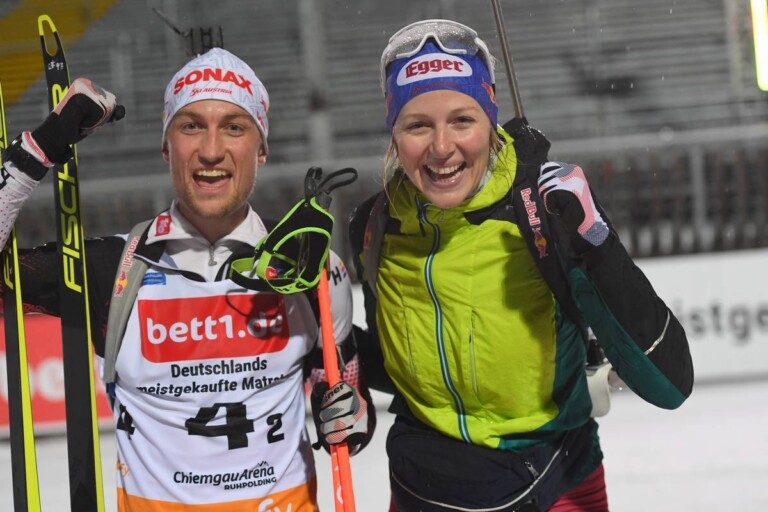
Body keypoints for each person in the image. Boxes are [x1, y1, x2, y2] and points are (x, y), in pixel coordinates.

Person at [0, 48, 373, 511]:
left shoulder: (310, 269)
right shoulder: (111, 267)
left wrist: (351, 417)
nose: (211, 150)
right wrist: (39, 149)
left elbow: (345, 402)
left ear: (261, 150)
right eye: (191, 126)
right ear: (166, 147)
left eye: (234, 127)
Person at [347, 19, 694, 511]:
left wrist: (597, 245)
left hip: (554, 481)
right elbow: (398, 366)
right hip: (424, 487)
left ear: (490, 121)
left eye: (462, 120)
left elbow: (669, 383)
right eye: (417, 125)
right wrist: (320, 336)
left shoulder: (544, 211)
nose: (441, 147)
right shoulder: (375, 225)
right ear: (394, 133)